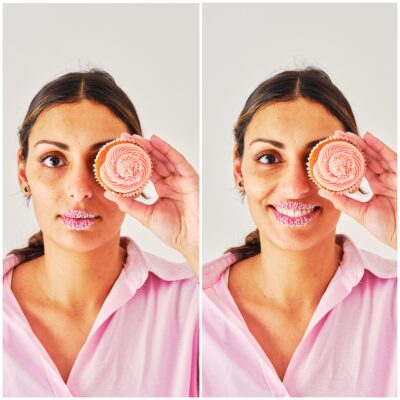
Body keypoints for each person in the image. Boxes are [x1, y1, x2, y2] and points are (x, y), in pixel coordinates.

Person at [3, 70, 199, 396]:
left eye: (99, 162)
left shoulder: (192, 302)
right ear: (23, 171)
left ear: (137, 172)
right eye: (53, 159)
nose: (79, 189)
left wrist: (192, 239)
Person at [202, 68, 397, 396]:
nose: (295, 188)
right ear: (239, 169)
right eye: (268, 158)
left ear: (351, 169)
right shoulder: (190, 306)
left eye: (316, 159)